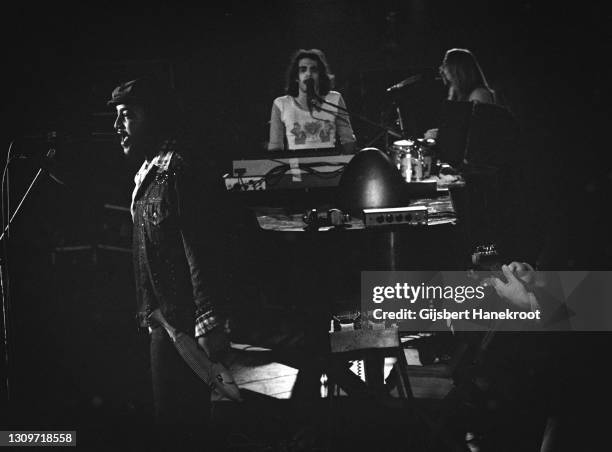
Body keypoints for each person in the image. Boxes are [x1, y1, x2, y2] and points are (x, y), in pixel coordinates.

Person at [108, 77, 229, 425]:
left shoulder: (181, 170)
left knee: (182, 428)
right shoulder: (150, 174)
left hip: (186, 329)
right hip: (164, 323)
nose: (118, 127)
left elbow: (201, 249)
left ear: (153, 116)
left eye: (126, 115)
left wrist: (208, 324)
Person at [268, 48, 357, 153]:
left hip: (330, 166)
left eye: (314, 70)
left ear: (320, 75)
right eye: (303, 70)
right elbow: (275, 146)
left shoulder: (335, 99)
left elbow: (348, 140)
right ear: (296, 76)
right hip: (296, 167)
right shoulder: (281, 104)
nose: (308, 74)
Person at [424, 48, 496, 142]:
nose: (441, 68)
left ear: (457, 68)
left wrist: (439, 134)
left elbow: (474, 132)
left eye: (445, 64)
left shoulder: (479, 94)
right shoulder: (455, 92)